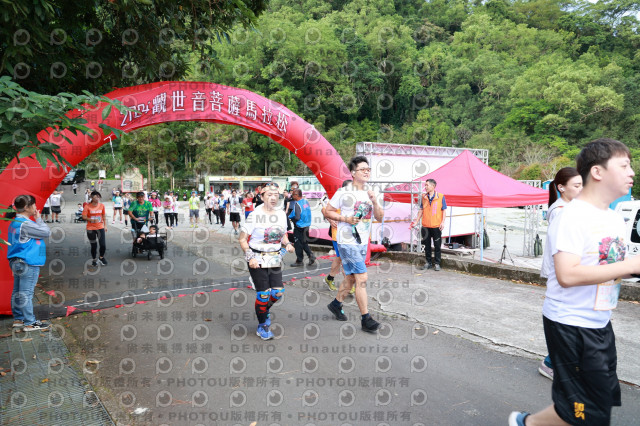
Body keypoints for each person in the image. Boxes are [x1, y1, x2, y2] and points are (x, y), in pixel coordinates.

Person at [509, 138, 640, 426]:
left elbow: (610, 268)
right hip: (570, 323)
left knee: (597, 400)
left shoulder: (614, 218)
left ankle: (527, 423)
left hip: (599, 321)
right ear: (597, 172)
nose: (631, 172)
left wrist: (632, 269)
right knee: (585, 410)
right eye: (624, 166)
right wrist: (630, 265)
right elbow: (567, 275)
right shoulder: (572, 216)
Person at [323, 156, 384, 333]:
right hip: (346, 241)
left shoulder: (372, 192)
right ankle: (366, 319)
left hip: (362, 241)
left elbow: (379, 217)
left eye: (368, 169)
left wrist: (375, 201)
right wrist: (345, 219)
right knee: (361, 278)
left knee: (350, 277)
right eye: (362, 169)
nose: (366, 172)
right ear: (353, 173)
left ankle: (336, 304)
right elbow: (328, 211)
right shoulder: (344, 192)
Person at [537, 167, 583, 381]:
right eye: (577, 185)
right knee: (565, 322)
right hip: (562, 270)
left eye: (582, 185)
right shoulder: (560, 211)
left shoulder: (569, 208)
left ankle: (559, 362)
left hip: (567, 269)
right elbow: (561, 245)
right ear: (561, 187)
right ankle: (550, 363)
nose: (581, 189)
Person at [238, 183, 294, 340]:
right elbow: (242, 239)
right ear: (262, 197)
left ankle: (263, 310)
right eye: (269, 194)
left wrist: (287, 244)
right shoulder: (254, 215)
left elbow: (283, 234)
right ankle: (262, 325)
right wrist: (250, 257)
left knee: (277, 292)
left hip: (274, 258)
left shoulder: (281, 214)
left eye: (276, 194)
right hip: (257, 258)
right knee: (263, 294)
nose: (273, 197)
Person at [7, 195, 51, 331]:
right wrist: (38, 219)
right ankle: (30, 323)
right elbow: (46, 232)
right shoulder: (25, 224)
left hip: (16, 261)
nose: (35, 207)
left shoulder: (15, 222)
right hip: (27, 262)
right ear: (26, 207)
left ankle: (18, 319)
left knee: (17, 292)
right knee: (26, 293)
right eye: (34, 205)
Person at [321, 179, 354, 294]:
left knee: (340, 258)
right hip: (338, 236)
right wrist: (330, 220)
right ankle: (349, 285)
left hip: (349, 235)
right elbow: (324, 209)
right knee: (345, 259)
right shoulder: (339, 198)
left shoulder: (353, 200)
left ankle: (330, 278)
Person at [409, 178, 446, 271]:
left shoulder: (441, 196)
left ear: (433, 186)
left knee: (437, 246)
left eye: (427, 185)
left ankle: (437, 263)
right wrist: (416, 222)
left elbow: (444, 210)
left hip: (436, 226)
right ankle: (428, 263)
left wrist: (442, 222)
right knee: (427, 246)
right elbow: (421, 210)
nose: (425, 187)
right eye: (425, 185)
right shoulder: (424, 197)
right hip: (425, 226)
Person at [288, 188, 316, 266]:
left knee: (298, 244)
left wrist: (292, 219)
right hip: (306, 225)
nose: (292, 196)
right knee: (303, 242)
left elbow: (297, 217)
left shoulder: (297, 204)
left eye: (293, 195)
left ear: (296, 195)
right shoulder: (305, 202)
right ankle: (311, 255)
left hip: (299, 226)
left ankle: (299, 261)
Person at [82, 191, 108, 266]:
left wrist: (105, 225)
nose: (97, 198)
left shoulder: (102, 205)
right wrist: (92, 220)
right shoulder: (87, 206)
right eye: (96, 197)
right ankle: (94, 259)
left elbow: (103, 215)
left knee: (103, 245)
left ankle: (101, 257)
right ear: (91, 198)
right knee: (94, 245)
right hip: (90, 228)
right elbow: (83, 217)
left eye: (98, 197)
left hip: (100, 227)